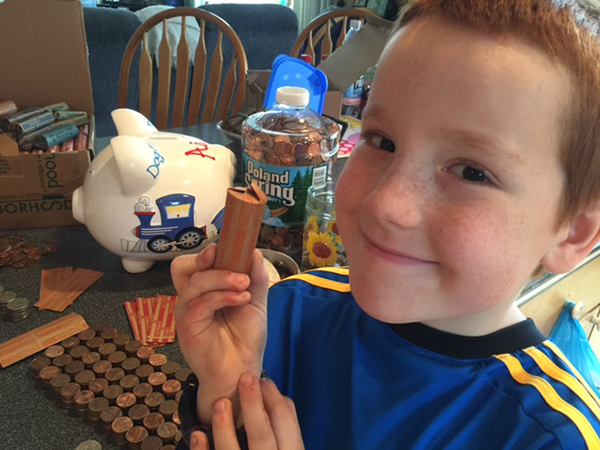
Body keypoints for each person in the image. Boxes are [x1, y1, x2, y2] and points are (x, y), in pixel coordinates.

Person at [172, 0, 600, 448]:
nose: (387, 204)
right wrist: (225, 398)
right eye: (382, 141)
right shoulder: (283, 313)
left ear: (573, 232)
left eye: (472, 171)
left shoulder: (554, 437)